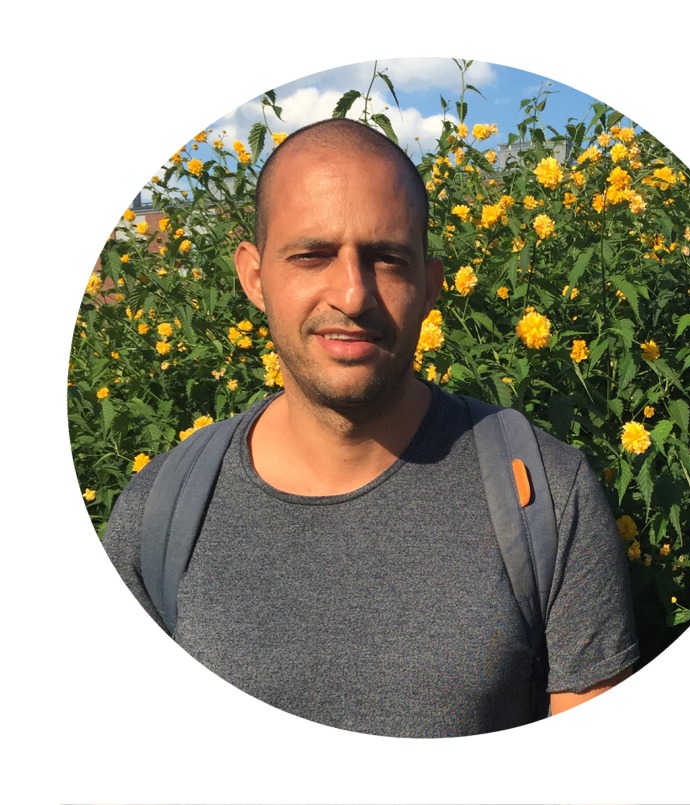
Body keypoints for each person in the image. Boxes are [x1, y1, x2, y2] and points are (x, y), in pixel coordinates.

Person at [103, 118, 639, 738]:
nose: (353, 296)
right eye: (312, 256)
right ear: (253, 277)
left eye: (386, 259)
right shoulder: (161, 511)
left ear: (431, 286)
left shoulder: (546, 496)